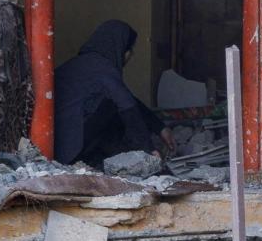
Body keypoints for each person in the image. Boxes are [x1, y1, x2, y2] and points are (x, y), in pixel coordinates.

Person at [54, 20, 175, 166]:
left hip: (56, 144)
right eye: (130, 49)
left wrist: (160, 128)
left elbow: (128, 98)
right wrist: (148, 150)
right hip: (68, 149)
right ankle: (118, 161)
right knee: (117, 109)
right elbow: (127, 106)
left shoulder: (84, 64)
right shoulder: (102, 67)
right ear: (120, 48)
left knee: (117, 101)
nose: (131, 55)